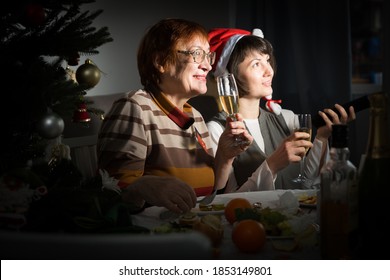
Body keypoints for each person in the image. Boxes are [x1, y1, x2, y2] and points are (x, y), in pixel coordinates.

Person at [96, 19, 254, 215]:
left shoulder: (195, 117)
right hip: (156, 236)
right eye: (196, 54)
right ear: (161, 61)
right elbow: (109, 193)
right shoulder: (134, 107)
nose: (207, 66)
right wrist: (142, 186)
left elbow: (211, 195)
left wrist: (224, 157)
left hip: (194, 226)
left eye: (208, 56)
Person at [207, 28, 356, 191]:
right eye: (256, 64)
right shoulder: (217, 130)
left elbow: (305, 184)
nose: (269, 71)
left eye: (268, 61)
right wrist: (273, 165)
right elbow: (227, 201)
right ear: (230, 76)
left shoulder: (286, 118)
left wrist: (322, 137)